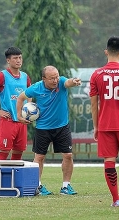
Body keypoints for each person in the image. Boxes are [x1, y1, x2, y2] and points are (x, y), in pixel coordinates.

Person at [17, 65, 81, 196]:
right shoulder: (36, 88)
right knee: (39, 157)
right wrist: (19, 116)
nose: (55, 80)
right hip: (43, 128)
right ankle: (38, 186)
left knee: (68, 155)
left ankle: (66, 186)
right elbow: (20, 98)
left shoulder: (62, 82)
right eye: (52, 78)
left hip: (62, 127)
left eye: (56, 77)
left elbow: (68, 82)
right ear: (43, 79)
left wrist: (73, 82)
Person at [90, 36, 119, 207]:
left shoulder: (97, 74)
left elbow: (94, 105)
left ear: (106, 52)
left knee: (109, 160)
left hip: (105, 125)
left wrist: (96, 126)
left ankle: (116, 199)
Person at [0, 47, 31, 161]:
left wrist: (29, 109)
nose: (18, 60)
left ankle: (14, 179)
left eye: (20, 57)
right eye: (15, 58)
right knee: (3, 154)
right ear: (8, 60)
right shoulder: (2, 75)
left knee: (18, 154)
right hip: (8, 120)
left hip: (21, 121)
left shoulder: (25, 76)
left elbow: (29, 94)